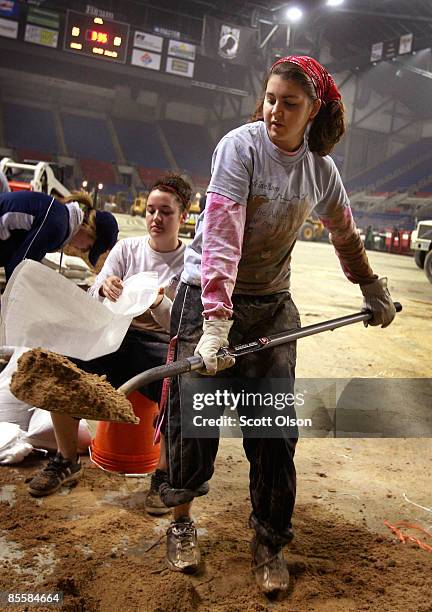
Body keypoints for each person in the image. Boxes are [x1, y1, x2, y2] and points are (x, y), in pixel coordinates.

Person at [159, 56, 396, 592]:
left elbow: (343, 233)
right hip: (208, 297)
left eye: (289, 103)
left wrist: (370, 286)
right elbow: (221, 237)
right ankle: (180, 522)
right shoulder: (239, 148)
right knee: (193, 422)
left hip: (270, 303)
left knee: (272, 432)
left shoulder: (321, 169)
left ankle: (268, 539)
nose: (275, 111)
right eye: (270, 99)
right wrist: (215, 324)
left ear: (313, 110)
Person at [27, 175, 192, 515]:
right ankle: (66, 459)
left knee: (182, 388)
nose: (155, 219)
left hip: (160, 343)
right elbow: (94, 293)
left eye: (166, 212)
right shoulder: (127, 249)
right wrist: (105, 289)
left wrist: (158, 303)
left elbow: (186, 323)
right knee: (62, 367)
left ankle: (163, 474)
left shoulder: (190, 262)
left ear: (183, 217)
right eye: (150, 211)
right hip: (115, 334)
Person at [0, 190, 118, 281]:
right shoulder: (57, 227)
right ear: (89, 229)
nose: (82, 251)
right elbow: (19, 269)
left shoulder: (60, 217)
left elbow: (14, 256)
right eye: (88, 247)